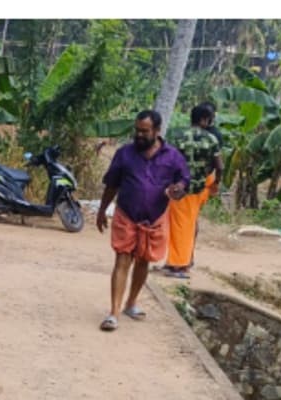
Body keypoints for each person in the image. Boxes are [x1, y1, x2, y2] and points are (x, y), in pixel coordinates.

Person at [95, 110, 190, 331]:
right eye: (136, 130)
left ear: (157, 131)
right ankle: (113, 313)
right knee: (122, 259)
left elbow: (184, 180)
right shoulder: (124, 154)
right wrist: (102, 210)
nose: (138, 135)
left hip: (154, 219)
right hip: (126, 214)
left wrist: (178, 189)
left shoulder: (173, 157)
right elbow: (112, 184)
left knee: (144, 260)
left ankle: (131, 303)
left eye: (144, 131)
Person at [163, 103, 223, 279]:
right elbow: (219, 166)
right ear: (204, 120)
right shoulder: (211, 139)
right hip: (198, 187)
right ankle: (180, 263)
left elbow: (167, 160)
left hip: (178, 187)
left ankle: (177, 263)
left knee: (178, 225)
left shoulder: (177, 136)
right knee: (188, 225)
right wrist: (216, 183)